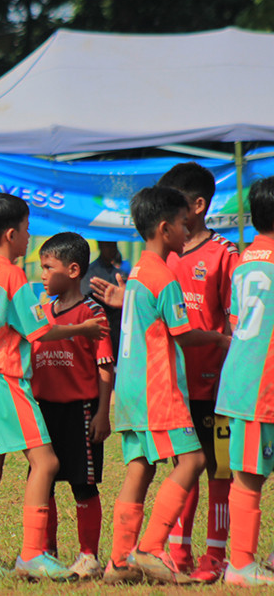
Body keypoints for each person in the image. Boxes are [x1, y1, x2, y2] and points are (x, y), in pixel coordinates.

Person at [0, 193, 107, 581]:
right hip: (6, 378)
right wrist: (83, 328)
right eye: (26, 230)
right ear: (11, 234)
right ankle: (32, 553)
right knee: (47, 462)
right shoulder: (13, 276)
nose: (28, 237)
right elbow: (40, 330)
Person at [104, 186, 230, 585]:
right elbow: (185, 334)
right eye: (181, 224)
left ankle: (119, 561)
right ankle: (152, 546)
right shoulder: (165, 275)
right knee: (193, 461)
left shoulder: (140, 269)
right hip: (157, 389)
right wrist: (220, 339)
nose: (185, 229)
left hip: (130, 389)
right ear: (164, 228)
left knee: (139, 468)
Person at [157, 161, 239, 582]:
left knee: (219, 470)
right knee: (183, 466)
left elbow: (237, 319)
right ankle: (179, 552)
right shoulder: (162, 256)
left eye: (175, 205)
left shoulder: (224, 255)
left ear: (198, 206)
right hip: (174, 385)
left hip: (218, 386)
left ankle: (217, 555)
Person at [32, 233, 116, 579]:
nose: (41, 274)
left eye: (47, 267)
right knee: (43, 482)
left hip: (80, 410)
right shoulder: (41, 312)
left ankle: (88, 556)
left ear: (72, 270)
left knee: (83, 484)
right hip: (44, 411)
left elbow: (105, 366)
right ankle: (46, 551)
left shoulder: (92, 313)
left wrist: (101, 413)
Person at [214, 176, 274, 585]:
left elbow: (237, 321)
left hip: (243, 380)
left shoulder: (245, 260)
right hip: (262, 384)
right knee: (249, 476)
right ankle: (240, 565)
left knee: (247, 475)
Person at [81, 241, 127, 356]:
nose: (112, 249)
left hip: (118, 329)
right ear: (100, 246)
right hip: (100, 324)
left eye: (114, 245)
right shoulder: (90, 272)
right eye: (108, 245)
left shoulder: (120, 273)